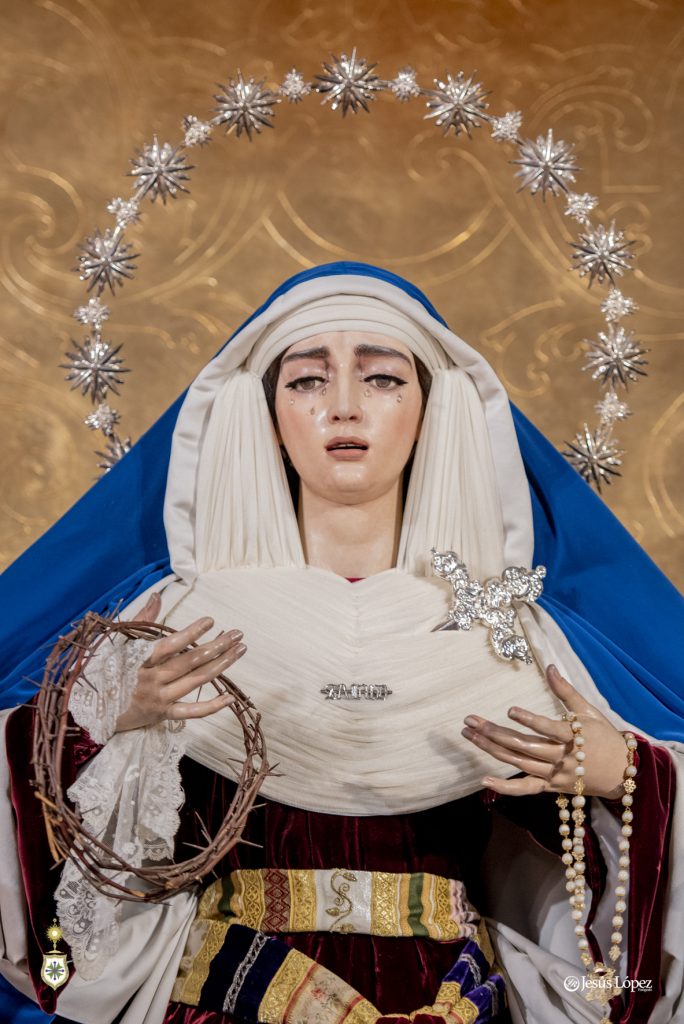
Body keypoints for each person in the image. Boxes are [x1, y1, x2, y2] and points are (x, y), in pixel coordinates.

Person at [0, 262, 682, 1024]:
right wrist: (107, 721)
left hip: (448, 1000)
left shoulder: (507, 637)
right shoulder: (179, 620)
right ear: (266, 414)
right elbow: (46, 813)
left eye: (383, 378)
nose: (345, 406)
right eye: (307, 381)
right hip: (229, 995)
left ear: (431, 410)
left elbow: (592, 874)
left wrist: (625, 775)